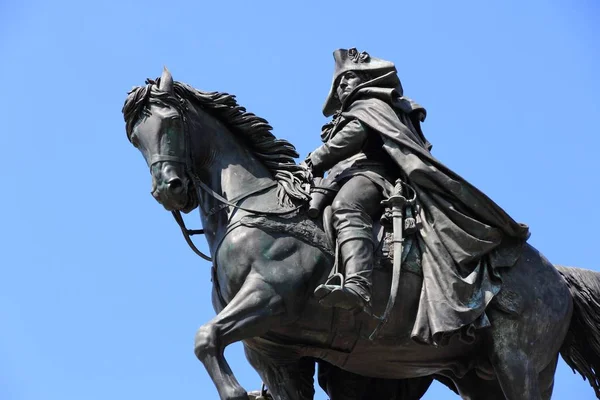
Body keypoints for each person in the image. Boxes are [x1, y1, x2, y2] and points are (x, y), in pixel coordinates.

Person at [305, 48, 530, 345]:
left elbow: (352, 139)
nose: (342, 86)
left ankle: (359, 284)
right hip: (343, 175)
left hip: (376, 176)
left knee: (348, 205)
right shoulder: (351, 111)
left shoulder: (371, 104)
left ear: (364, 79)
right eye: (339, 83)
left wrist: (312, 160)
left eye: (348, 78)